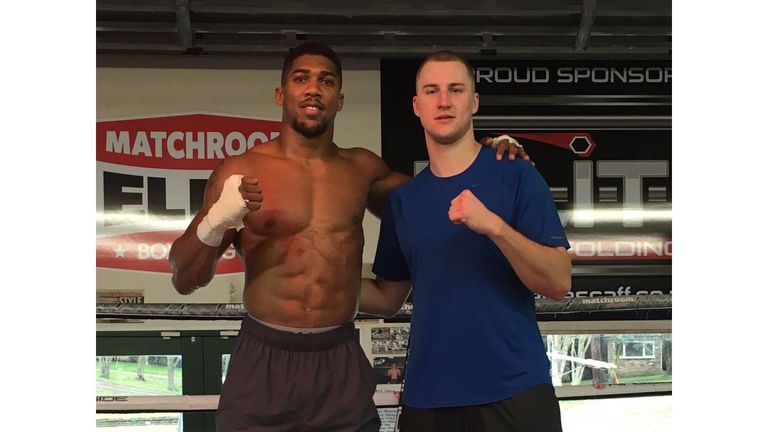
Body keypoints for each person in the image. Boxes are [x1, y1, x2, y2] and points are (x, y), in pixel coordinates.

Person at [168, 42, 528, 432]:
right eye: (300, 78)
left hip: (338, 357)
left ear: (338, 100)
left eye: (325, 81)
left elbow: (437, 194)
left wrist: (487, 156)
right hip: (264, 357)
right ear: (281, 93)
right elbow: (185, 278)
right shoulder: (240, 170)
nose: (312, 89)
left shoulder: (362, 169)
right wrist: (216, 220)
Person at [360, 50, 572, 432]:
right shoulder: (404, 201)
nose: (444, 101)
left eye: (455, 90)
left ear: (473, 102)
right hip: (428, 397)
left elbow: (558, 282)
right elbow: (388, 299)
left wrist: (495, 227)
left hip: (515, 389)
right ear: (416, 105)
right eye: (432, 91)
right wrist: (318, 278)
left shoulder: (516, 174)